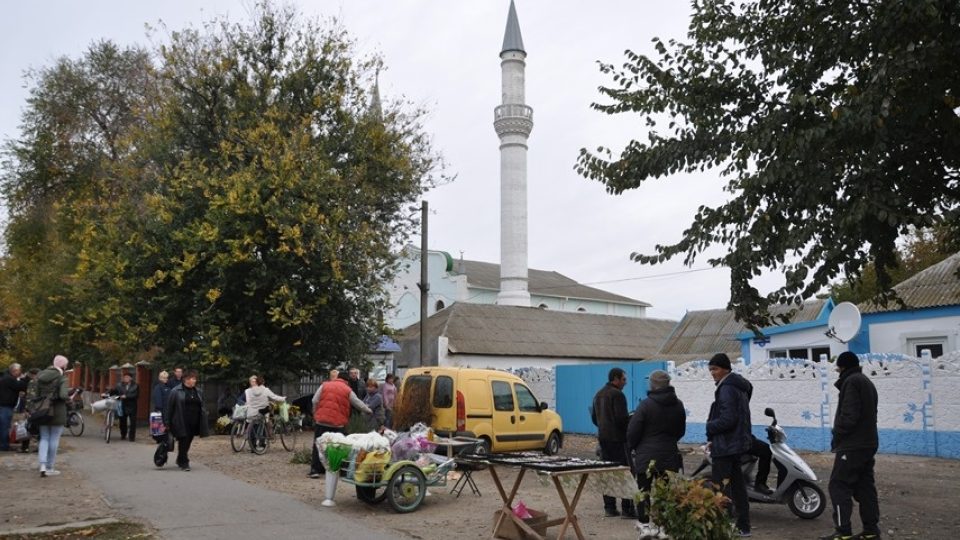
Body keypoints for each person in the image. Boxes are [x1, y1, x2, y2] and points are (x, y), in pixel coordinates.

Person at [820, 352, 881, 540]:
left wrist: (837, 434)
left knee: (838, 486)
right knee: (865, 488)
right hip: (868, 443)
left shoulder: (852, 382)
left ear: (843, 367)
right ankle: (871, 531)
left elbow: (849, 416)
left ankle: (843, 532)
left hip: (852, 445)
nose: (837, 370)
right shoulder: (866, 382)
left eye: (838, 367)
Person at [626, 370, 686, 531]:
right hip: (669, 455)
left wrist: (634, 446)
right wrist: (669, 442)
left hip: (646, 456)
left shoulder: (646, 405)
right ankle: (663, 525)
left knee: (643, 490)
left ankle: (644, 524)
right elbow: (681, 430)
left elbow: (633, 431)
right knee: (664, 491)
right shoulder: (678, 404)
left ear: (653, 384)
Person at [706, 353, 753, 537]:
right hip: (737, 444)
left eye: (715, 369)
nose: (712, 373)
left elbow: (728, 419)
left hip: (725, 446)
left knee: (721, 488)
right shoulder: (739, 386)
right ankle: (743, 526)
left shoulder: (726, 388)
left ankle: (722, 527)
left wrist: (709, 426)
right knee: (738, 487)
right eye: (710, 369)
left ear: (726, 368)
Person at [591, 367, 637, 518]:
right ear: (616, 379)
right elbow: (621, 420)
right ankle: (627, 509)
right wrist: (632, 419)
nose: (625, 382)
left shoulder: (598, 394)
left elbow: (594, 418)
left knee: (607, 473)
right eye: (624, 379)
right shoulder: (618, 395)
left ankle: (609, 507)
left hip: (603, 440)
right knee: (626, 473)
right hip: (618, 440)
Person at [307, 372, 372, 478]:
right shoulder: (347, 390)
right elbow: (357, 403)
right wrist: (368, 410)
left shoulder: (325, 385)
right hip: (337, 424)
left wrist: (315, 414)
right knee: (340, 446)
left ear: (338, 378)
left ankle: (315, 470)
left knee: (318, 444)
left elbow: (314, 400)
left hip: (321, 421)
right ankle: (339, 469)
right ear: (347, 381)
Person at [163, 369, 209, 471]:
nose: (194, 381)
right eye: (192, 378)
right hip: (180, 420)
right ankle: (184, 462)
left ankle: (180, 458)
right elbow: (169, 407)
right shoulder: (175, 391)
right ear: (186, 379)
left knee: (188, 441)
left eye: (195, 379)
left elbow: (202, 405)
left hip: (194, 421)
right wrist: (167, 422)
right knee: (183, 440)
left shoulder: (198, 391)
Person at [36, 355, 71, 477]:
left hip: (42, 410)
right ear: (62, 366)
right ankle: (50, 466)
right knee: (54, 439)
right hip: (57, 410)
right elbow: (63, 395)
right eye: (66, 365)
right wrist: (68, 398)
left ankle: (42, 465)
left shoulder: (40, 376)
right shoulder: (62, 378)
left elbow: (36, 393)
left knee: (44, 437)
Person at [243, 375, 285, 452]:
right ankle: (262, 442)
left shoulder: (248, 391)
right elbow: (274, 397)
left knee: (253, 428)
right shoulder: (265, 390)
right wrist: (283, 398)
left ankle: (253, 446)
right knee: (265, 423)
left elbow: (248, 401)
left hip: (252, 412)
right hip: (262, 411)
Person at [0, 363, 29, 452]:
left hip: (4, 405)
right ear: (14, 371)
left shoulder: (6, 378)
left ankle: (4, 444)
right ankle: (4, 446)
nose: (20, 372)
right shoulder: (9, 379)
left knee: (4, 426)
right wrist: (25, 378)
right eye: (19, 370)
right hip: (5, 406)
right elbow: (21, 386)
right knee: (4, 426)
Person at [110, 371, 139, 442]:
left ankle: (132, 437)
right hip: (122, 405)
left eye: (127, 377)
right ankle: (123, 434)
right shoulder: (119, 385)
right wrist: (107, 393)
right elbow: (114, 391)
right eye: (124, 377)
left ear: (131, 378)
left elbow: (136, 395)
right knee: (122, 422)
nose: (125, 378)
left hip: (132, 406)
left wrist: (126, 396)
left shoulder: (135, 386)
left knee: (133, 422)